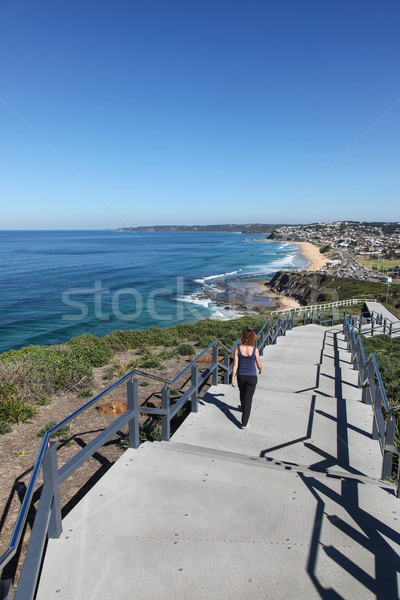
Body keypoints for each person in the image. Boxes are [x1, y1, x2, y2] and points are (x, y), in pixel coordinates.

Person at [231, 327, 262, 429]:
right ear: (252, 338)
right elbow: (258, 363)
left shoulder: (238, 348)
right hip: (252, 377)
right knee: (248, 399)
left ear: (243, 337)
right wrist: (260, 369)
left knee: (242, 395)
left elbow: (235, 365)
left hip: (241, 376)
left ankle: (244, 410)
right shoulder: (255, 350)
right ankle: (244, 423)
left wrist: (233, 378)